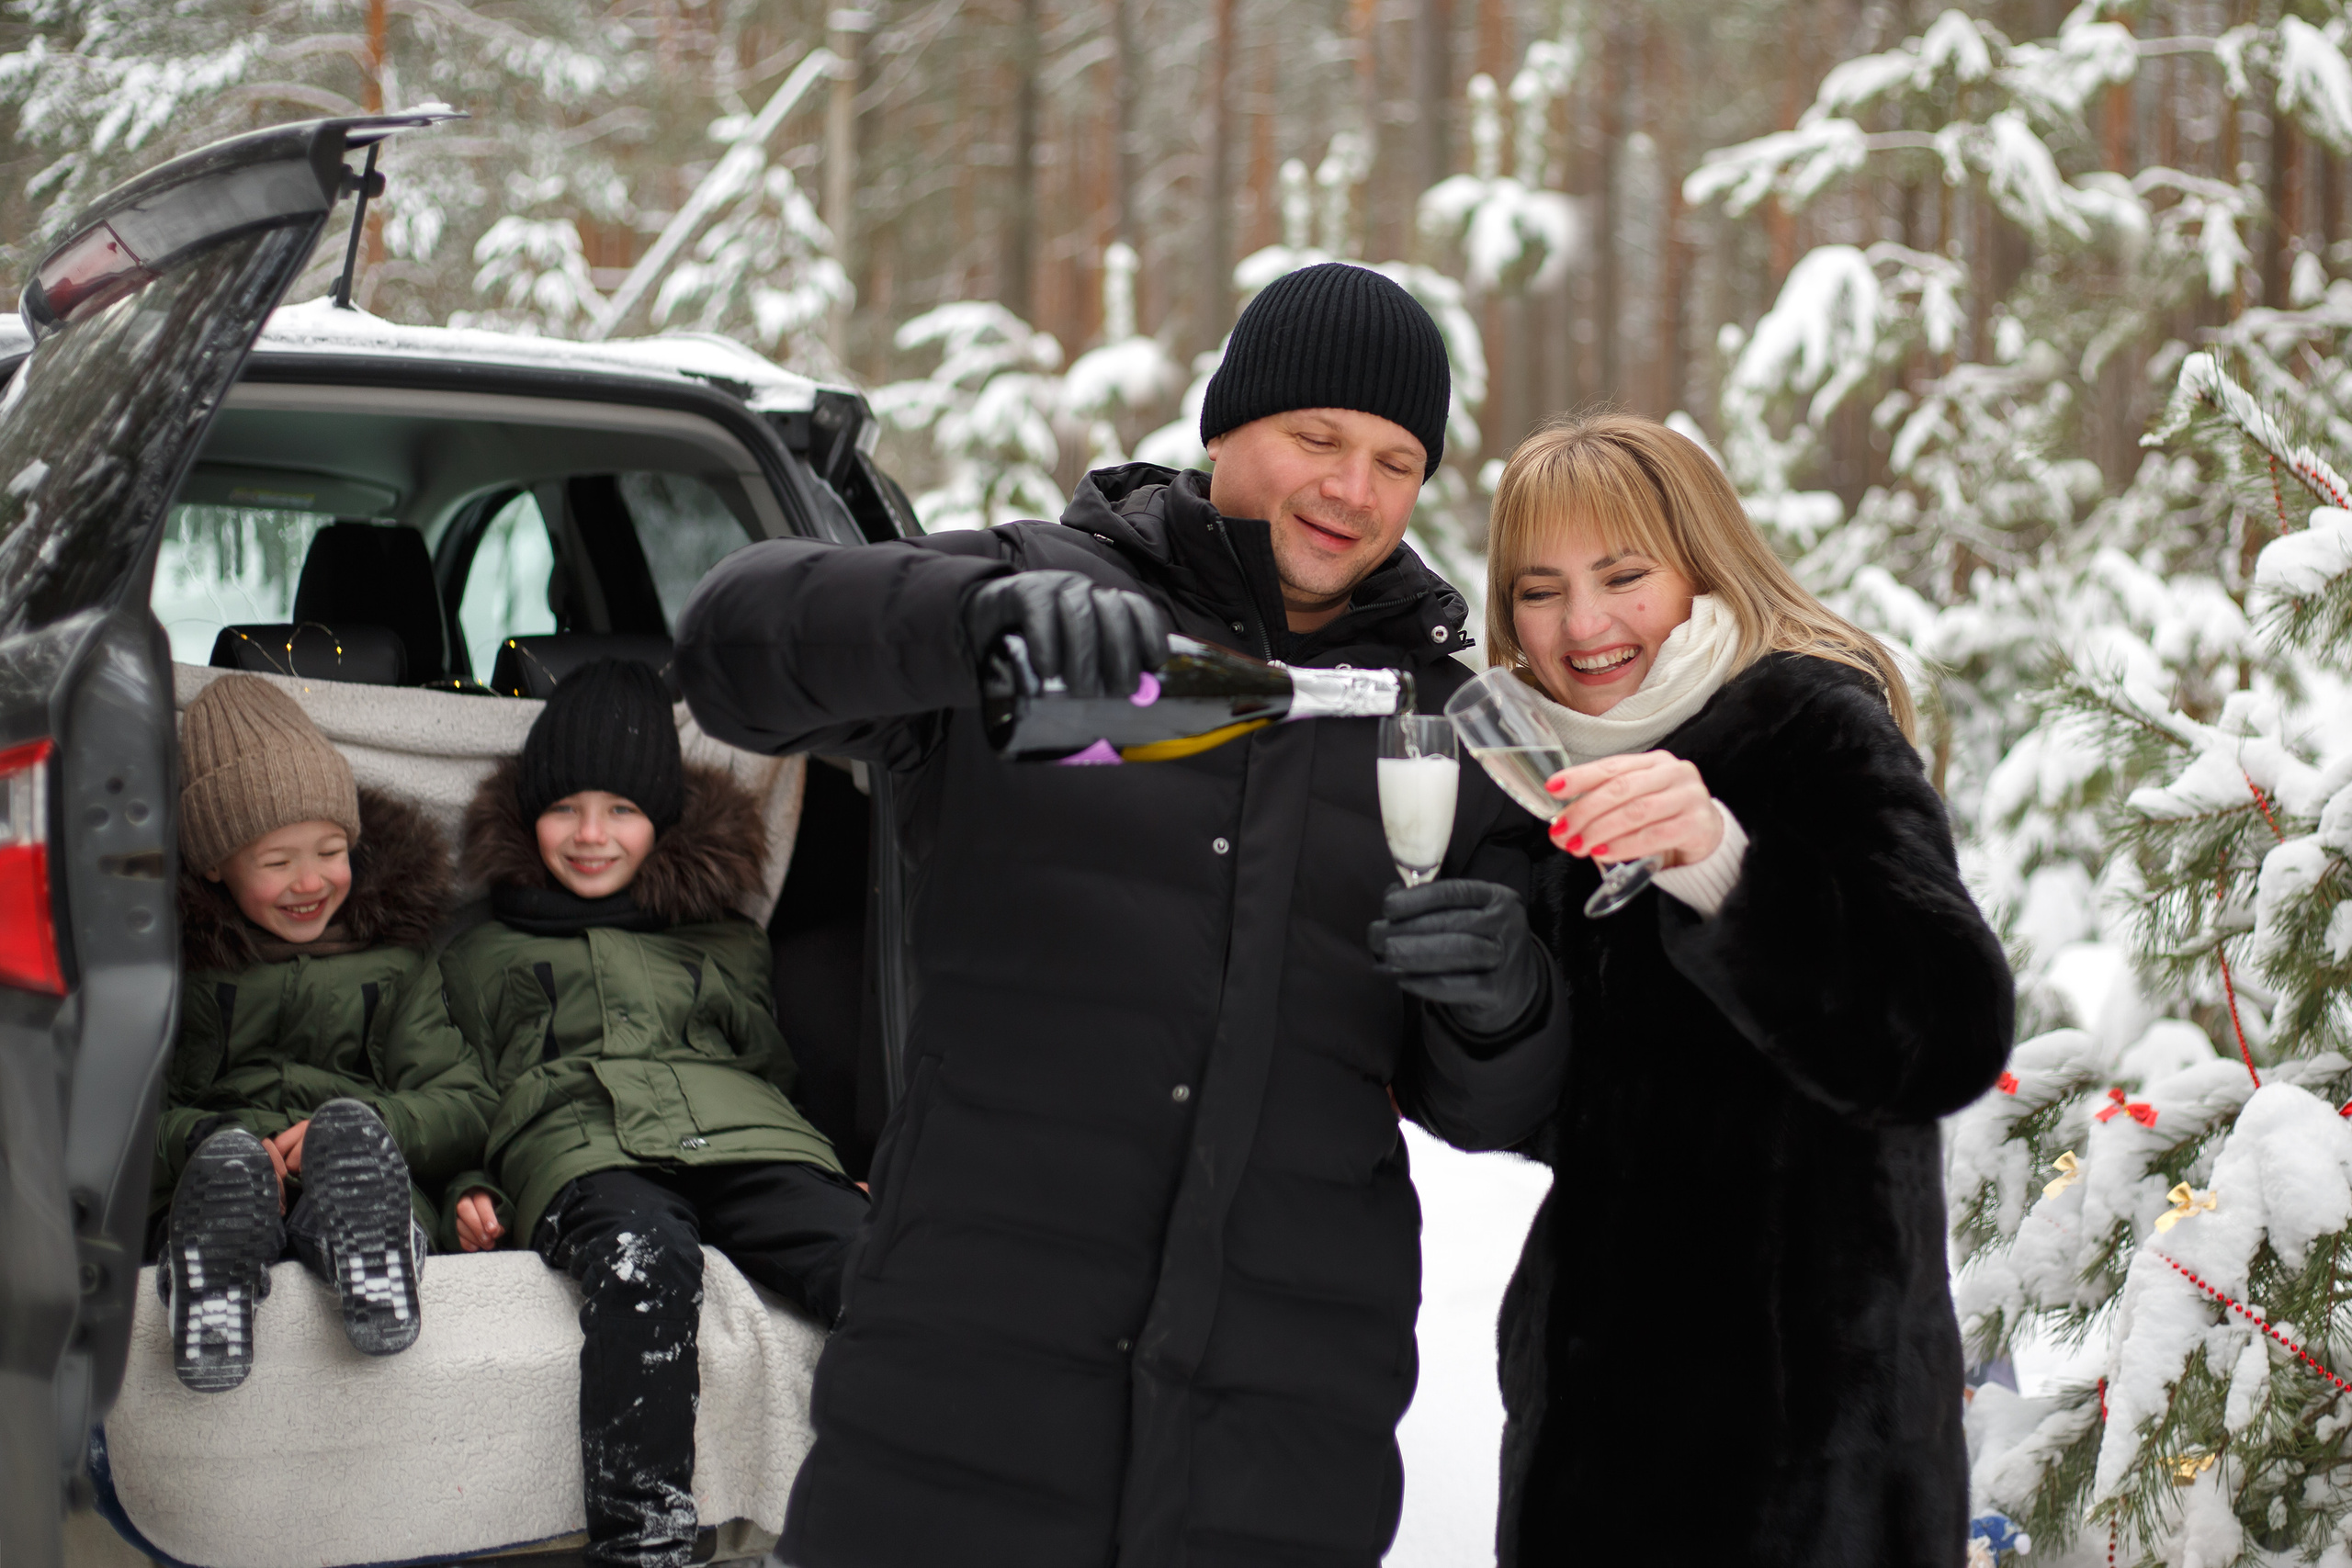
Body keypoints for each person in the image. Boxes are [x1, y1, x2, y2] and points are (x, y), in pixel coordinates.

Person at [674, 261, 1568, 1568]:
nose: (1353, 489)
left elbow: (1500, 1107)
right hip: (965, 1392)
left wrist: (1511, 1005)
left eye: (1395, 459)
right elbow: (732, 652)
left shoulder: (1438, 718)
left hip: (1279, 1428)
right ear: (1223, 426)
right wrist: (968, 624)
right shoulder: (1042, 599)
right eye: (1317, 437)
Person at [1385, 412, 2012, 1567]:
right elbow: (1537, 1116)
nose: (1583, 626)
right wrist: (1495, 1004)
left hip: (1810, 1439)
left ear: (1702, 567)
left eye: (1622, 576)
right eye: (1539, 590)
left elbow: (1946, 1033)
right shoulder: (1540, 780)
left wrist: (1723, 865)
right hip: (1594, 1440)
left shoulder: (1808, 723)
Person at [436, 658, 867, 1568]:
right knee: (642, 1262)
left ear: (663, 821)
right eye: (565, 809)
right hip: (580, 1142)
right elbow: (455, 1089)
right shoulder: (479, 949)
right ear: (526, 817)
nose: (592, 835)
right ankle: (645, 1538)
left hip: (745, 1132)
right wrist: (470, 1185)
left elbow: (768, 1069)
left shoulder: (723, 935)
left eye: (623, 810)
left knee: (875, 1264)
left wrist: (831, 1169)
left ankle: (917, 1498)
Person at [155, 674, 491, 1393]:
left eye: (331, 849)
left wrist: (373, 1124)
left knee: (353, 1165)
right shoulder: (178, 975)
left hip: (355, 1162)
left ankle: (376, 1250)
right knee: (222, 1183)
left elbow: (464, 1100)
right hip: (222, 1171)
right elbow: (130, 1118)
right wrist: (210, 1139)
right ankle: (210, 1280)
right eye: (277, 862)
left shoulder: (395, 962)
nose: (310, 880)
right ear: (215, 865)